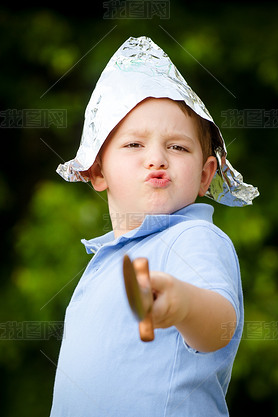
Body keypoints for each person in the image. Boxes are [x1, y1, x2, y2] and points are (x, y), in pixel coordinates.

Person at [50, 36, 259, 416]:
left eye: (178, 147)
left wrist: (183, 305)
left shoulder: (192, 236)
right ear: (97, 169)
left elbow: (221, 327)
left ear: (204, 174)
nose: (157, 159)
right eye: (134, 145)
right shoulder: (103, 261)